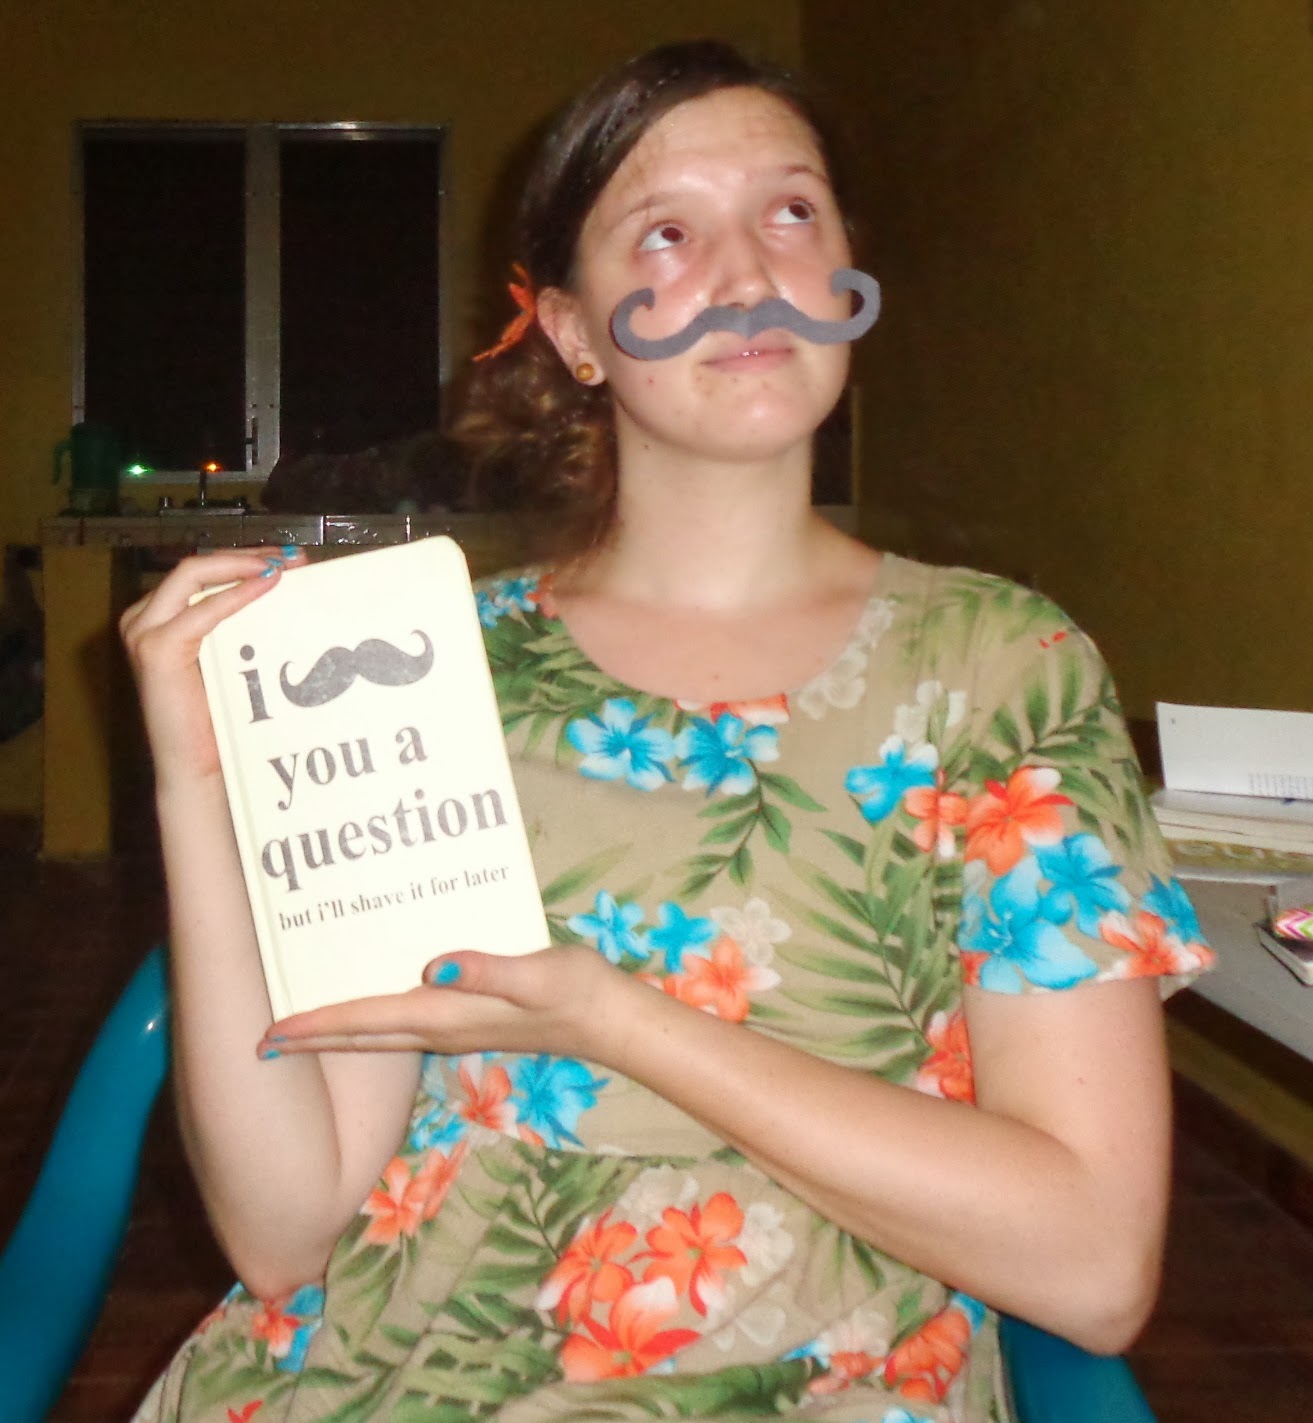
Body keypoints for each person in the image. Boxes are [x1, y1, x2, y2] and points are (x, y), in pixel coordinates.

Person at [121, 39, 1213, 1423]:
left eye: (791, 211)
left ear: (847, 277)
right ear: (574, 331)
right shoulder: (425, 665)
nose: (748, 273)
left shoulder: (1003, 670)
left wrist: (616, 1022)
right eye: (668, 233)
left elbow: (1094, 1265)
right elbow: (286, 1232)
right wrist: (198, 786)